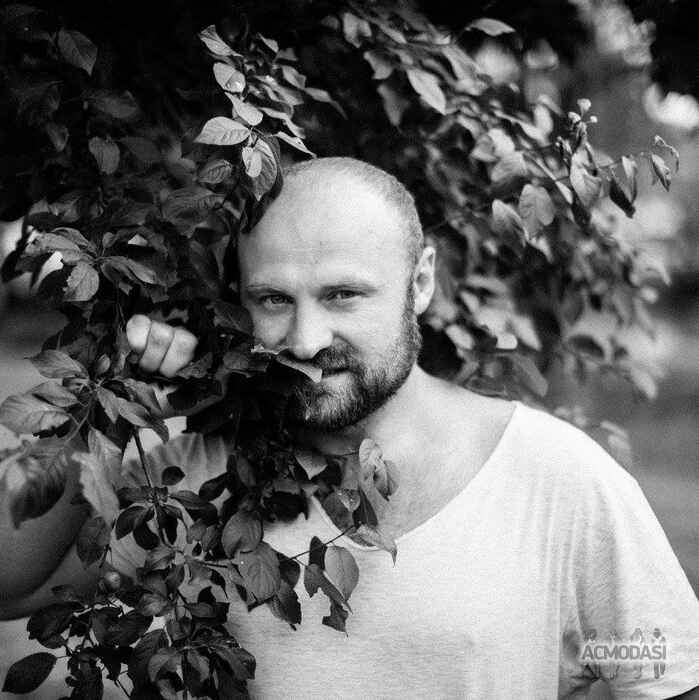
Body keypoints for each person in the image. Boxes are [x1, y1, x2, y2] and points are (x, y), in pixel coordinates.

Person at [1, 157, 698, 699]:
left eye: (343, 294)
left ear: (419, 283)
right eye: (274, 299)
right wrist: (104, 400)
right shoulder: (196, 477)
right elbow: (13, 586)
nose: (306, 340)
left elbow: (658, 671)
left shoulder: (557, 479)